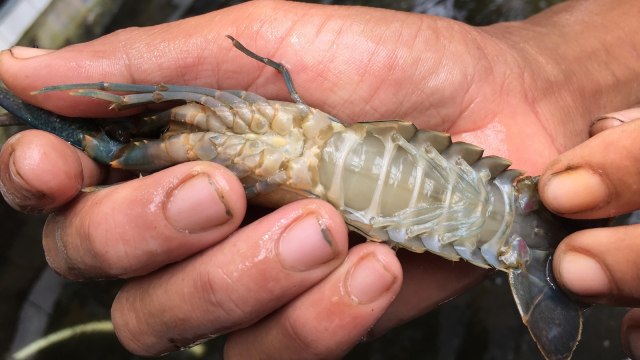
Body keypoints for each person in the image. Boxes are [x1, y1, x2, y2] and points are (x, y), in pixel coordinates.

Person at [1, 0, 639, 358]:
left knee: (180, 130)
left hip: (465, 205)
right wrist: (543, 70)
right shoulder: (258, 122)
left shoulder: (246, 129)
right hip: (370, 165)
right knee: (188, 122)